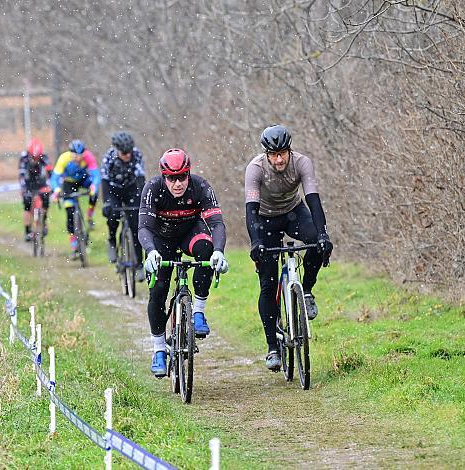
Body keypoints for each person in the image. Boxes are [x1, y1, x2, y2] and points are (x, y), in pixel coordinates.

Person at [244, 124, 333, 371]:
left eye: (283, 153)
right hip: (265, 219)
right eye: (273, 154)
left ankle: (306, 291)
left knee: (317, 242)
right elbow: (250, 211)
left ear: (289, 150)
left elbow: (313, 201)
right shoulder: (255, 168)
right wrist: (256, 242)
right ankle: (272, 347)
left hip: (294, 212)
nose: (279, 159)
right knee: (268, 282)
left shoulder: (302, 163)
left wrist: (324, 235)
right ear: (267, 154)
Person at [139, 148, 228, 377]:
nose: (177, 183)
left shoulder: (200, 186)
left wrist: (219, 252)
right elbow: (144, 228)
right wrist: (150, 252)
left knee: (205, 251)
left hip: (190, 232)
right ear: (163, 176)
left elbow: (217, 223)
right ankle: (159, 349)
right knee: (159, 290)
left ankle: (198, 312)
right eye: (171, 178)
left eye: (182, 177)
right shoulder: (153, 188)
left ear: (189, 174)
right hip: (161, 239)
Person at [101, 131, 146, 280]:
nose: (127, 155)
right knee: (112, 214)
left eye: (129, 152)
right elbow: (105, 181)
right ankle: (112, 240)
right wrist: (107, 202)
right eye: (124, 153)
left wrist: (143, 201)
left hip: (131, 189)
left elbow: (140, 178)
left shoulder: (137, 155)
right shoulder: (109, 157)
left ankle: (139, 264)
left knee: (136, 226)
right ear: (117, 150)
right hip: (114, 189)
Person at [50, 139, 101, 257]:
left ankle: (89, 216)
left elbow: (96, 175)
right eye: (74, 156)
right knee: (70, 212)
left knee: (94, 192)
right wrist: (56, 190)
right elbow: (54, 178)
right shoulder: (64, 158)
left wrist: (94, 185)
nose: (77, 159)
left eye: (80, 156)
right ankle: (73, 244)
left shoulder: (88, 157)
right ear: (70, 154)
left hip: (83, 180)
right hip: (69, 183)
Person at [19, 137, 53, 242]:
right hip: (28, 182)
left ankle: (44, 221)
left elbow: (50, 174)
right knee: (27, 205)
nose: (35, 160)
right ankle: (27, 230)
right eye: (33, 158)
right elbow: (21, 175)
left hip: (40, 182)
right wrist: (23, 188)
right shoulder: (24, 158)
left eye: (37, 158)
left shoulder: (44, 157)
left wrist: (51, 186)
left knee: (46, 200)